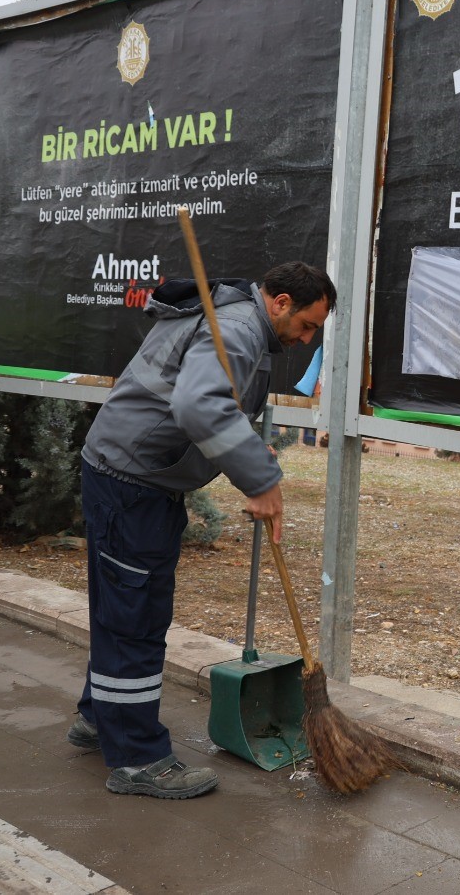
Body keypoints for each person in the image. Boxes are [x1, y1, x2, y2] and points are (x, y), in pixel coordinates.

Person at [65, 261, 336, 799]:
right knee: (136, 620)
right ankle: (138, 758)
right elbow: (197, 404)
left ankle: (101, 718)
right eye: (307, 324)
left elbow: (212, 405)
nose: (306, 339)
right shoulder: (237, 329)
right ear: (280, 302)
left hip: (128, 474)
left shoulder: (238, 322)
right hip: (132, 481)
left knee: (122, 609)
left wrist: (249, 454)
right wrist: (259, 482)